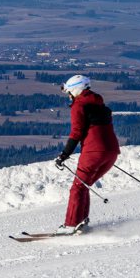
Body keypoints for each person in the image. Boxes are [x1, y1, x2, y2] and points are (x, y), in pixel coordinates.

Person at [53, 74, 120, 234]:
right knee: (84, 185)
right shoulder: (100, 104)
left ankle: (71, 225)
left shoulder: (79, 106)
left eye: (69, 92)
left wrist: (64, 155)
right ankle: (81, 222)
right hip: (111, 152)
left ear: (76, 90)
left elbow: (76, 133)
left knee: (77, 187)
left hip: (93, 152)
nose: (69, 96)